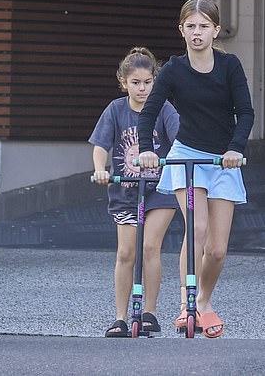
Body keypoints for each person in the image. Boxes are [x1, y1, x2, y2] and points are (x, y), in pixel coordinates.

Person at [137, 0, 254, 338]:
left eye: (204, 26)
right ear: (181, 30)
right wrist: (147, 150)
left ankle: (203, 300)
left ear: (216, 30)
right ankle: (187, 304)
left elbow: (244, 112)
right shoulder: (173, 68)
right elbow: (150, 112)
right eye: (191, 26)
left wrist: (235, 148)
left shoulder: (229, 65)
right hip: (188, 156)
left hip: (221, 159)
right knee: (197, 229)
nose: (197, 33)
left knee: (216, 249)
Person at [90, 47, 179, 337]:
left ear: (155, 81)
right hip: (126, 191)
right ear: (124, 82)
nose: (142, 88)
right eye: (135, 83)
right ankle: (120, 317)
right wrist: (101, 168)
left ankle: (150, 313)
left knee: (150, 246)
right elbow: (101, 145)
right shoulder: (115, 110)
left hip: (159, 190)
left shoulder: (163, 108)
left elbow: (180, 138)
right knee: (126, 252)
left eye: (148, 82)